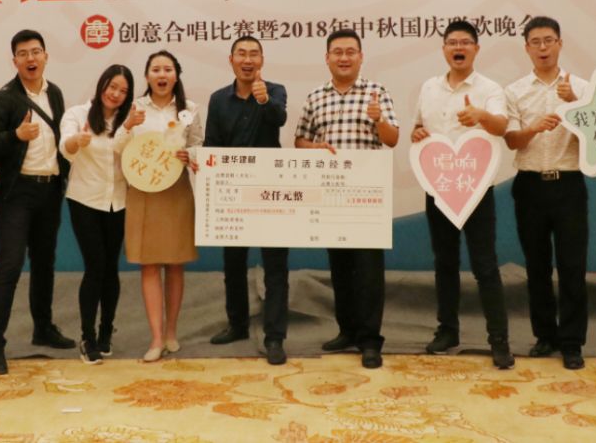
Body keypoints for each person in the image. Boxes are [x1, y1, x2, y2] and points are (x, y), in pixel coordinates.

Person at [412, 20, 515, 370]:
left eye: (465, 42)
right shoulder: (429, 87)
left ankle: (499, 340)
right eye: (452, 42)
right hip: (439, 187)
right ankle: (447, 331)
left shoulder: (489, 88)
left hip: (476, 188)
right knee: (445, 263)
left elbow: (502, 127)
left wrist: (481, 115)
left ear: (476, 49)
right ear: (444, 49)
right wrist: (417, 133)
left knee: (485, 265)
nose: (459, 47)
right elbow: (418, 127)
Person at [295, 29, 399, 369]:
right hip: (331, 195)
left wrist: (378, 119)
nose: (344, 57)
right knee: (340, 267)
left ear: (360, 56)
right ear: (327, 58)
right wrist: (315, 148)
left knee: (368, 271)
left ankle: (370, 340)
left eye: (350, 51)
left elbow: (393, 139)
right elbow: (300, 141)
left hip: (367, 196)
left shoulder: (376, 92)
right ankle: (347, 331)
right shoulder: (315, 96)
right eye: (337, 52)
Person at [0, 29, 73, 376]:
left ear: (46, 56)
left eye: (36, 52)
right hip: (17, 193)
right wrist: (15, 136)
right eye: (23, 53)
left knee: (45, 263)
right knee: (10, 264)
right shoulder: (5, 99)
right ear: (14, 60)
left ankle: (43, 328)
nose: (30, 58)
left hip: (50, 189)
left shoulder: (55, 93)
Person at [503, 16, 590, 370]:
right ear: (526, 48)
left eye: (548, 40)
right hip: (530, 185)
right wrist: (534, 128)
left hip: (569, 183)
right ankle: (545, 335)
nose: (543, 48)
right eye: (535, 42)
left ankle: (572, 342)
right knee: (536, 266)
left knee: (572, 266)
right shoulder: (514, 91)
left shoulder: (581, 87)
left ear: (560, 44)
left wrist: (575, 105)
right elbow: (511, 140)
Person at [204, 37, 290, 365]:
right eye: (242, 54)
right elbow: (212, 143)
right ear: (231, 60)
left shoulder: (275, 90)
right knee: (234, 262)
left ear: (262, 61)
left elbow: (279, 119)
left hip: (270, 190)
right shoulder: (218, 99)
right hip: (232, 191)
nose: (248, 59)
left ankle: (275, 336)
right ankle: (237, 325)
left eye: (254, 54)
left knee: (275, 266)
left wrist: (264, 100)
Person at [118, 50, 204, 363]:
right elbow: (118, 147)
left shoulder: (190, 109)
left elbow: (199, 146)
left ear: (176, 75)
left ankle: (171, 332)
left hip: (176, 191)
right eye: (156, 69)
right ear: (147, 76)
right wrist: (127, 126)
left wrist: (189, 156)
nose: (162, 74)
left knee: (176, 263)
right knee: (149, 263)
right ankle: (155, 338)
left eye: (168, 69)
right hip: (143, 192)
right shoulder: (134, 108)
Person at [59, 64, 135, 365]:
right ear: (102, 84)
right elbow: (65, 146)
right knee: (95, 266)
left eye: (123, 91)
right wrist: (76, 141)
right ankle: (87, 337)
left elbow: (134, 155)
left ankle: (106, 332)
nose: (115, 94)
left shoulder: (128, 121)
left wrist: (130, 129)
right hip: (85, 200)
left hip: (119, 201)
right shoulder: (77, 114)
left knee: (111, 268)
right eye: (112, 86)